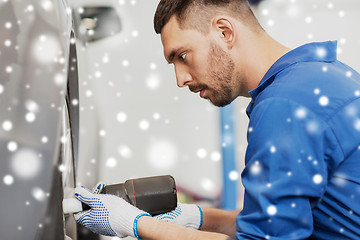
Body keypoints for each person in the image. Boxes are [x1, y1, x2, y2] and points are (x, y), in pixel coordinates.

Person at [73, 0, 360, 239]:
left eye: (183, 55)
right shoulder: (321, 76)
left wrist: (136, 225)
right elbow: (272, 224)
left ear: (224, 31)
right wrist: (196, 217)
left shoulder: (284, 107)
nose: (180, 78)